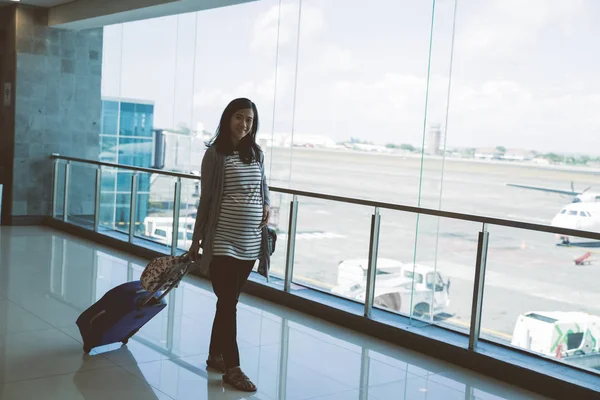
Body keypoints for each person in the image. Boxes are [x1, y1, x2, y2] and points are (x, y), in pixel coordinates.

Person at [189, 97, 271, 392]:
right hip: (223, 240)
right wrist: (197, 239)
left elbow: (264, 185)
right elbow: (207, 199)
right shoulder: (215, 155)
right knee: (227, 304)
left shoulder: (256, 153)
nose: (244, 125)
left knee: (228, 302)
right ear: (227, 119)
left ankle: (215, 355)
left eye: (249, 120)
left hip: (250, 242)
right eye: (239, 118)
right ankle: (232, 368)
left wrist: (268, 205)